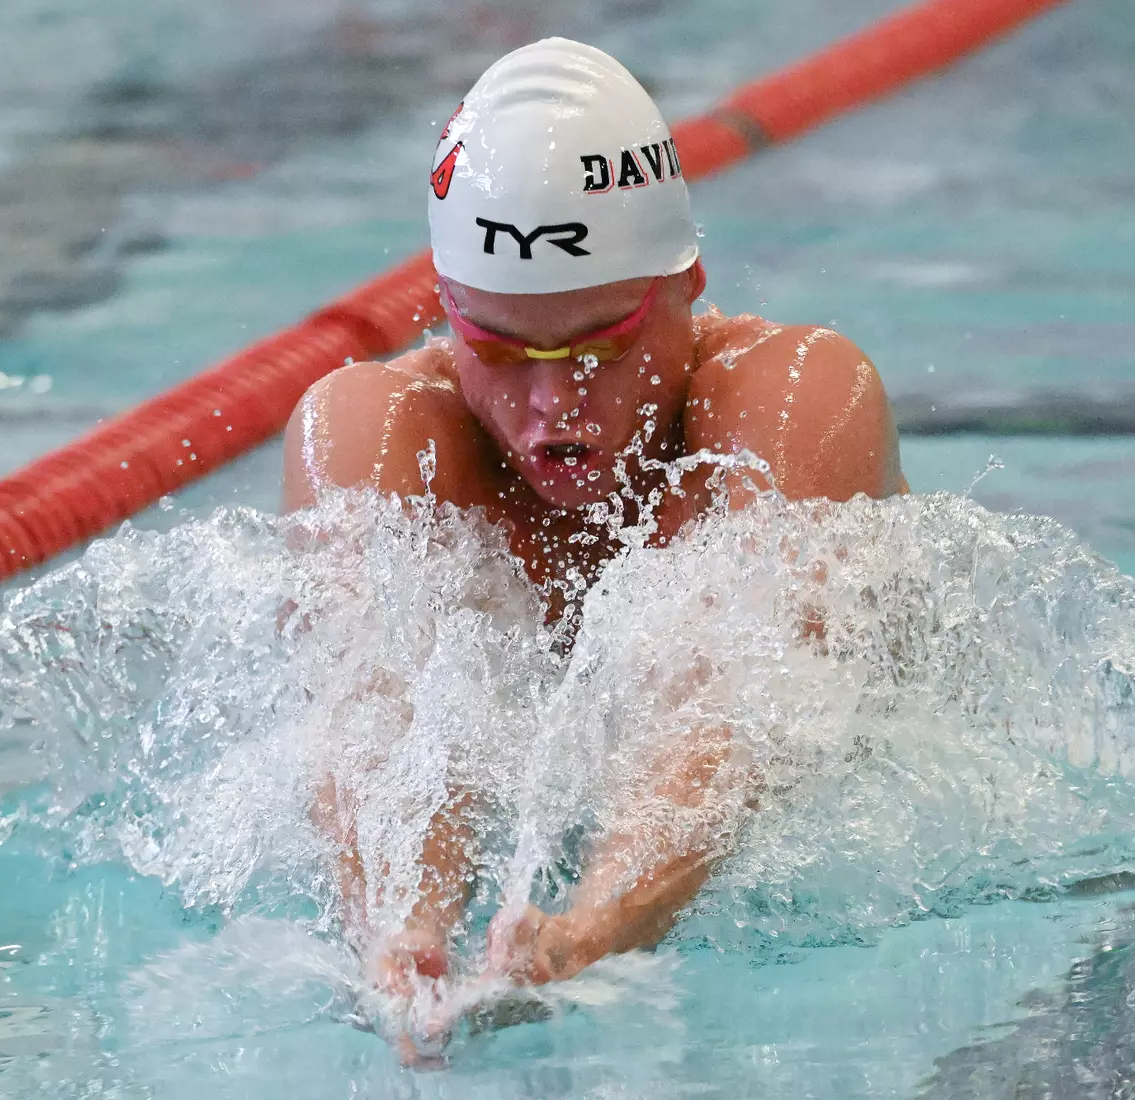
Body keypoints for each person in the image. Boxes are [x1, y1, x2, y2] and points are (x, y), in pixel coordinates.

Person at [281, 36, 906, 1038]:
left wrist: (597, 927)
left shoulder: (792, 395)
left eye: (602, 344)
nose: (552, 402)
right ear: (446, 312)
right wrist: (406, 939)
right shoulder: (377, 429)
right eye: (502, 347)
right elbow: (378, 720)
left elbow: (738, 694)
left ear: (686, 283)